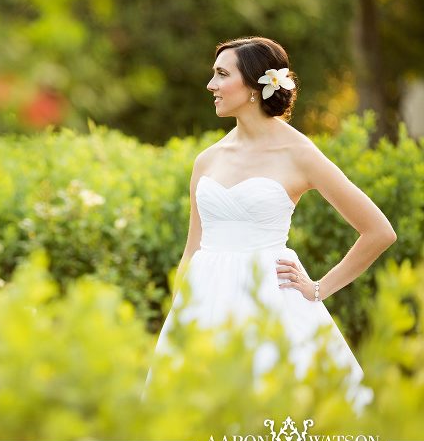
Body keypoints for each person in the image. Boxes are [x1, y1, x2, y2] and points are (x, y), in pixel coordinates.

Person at [141, 36, 397, 413]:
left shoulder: (300, 155)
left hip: (271, 303)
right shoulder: (207, 160)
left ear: (254, 87)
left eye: (221, 74)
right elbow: (193, 248)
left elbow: (379, 232)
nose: (211, 85)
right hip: (204, 305)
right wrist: (178, 314)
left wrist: (318, 289)